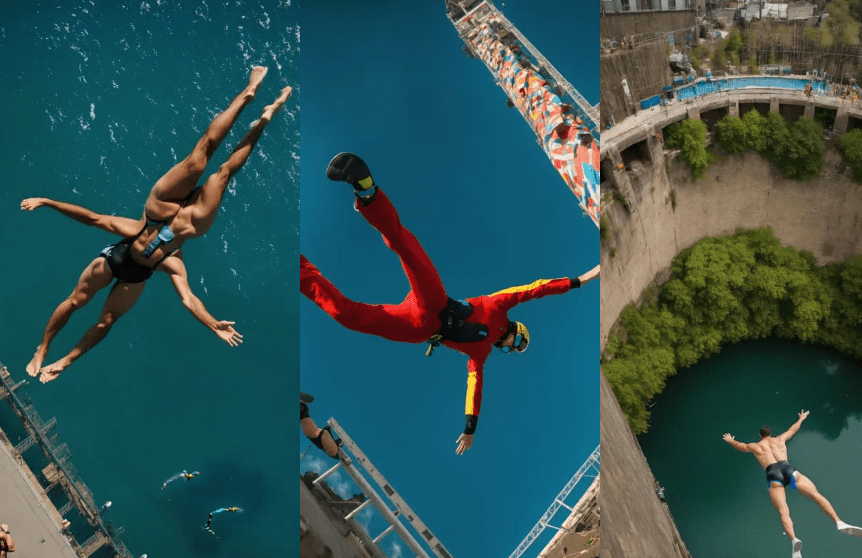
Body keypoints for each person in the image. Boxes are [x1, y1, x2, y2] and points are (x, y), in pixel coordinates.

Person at [301, 153, 600, 455]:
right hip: (434, 303)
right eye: (517, 343)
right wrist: (578, 281)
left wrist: (469, 428)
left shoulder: (480, 353)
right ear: (516, 329)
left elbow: (475, 388)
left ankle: (299, 270)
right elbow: (533, 290)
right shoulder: (498, 309)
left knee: (347, 316)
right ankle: (365, 189)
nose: (510, 347)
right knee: (401, 243)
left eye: (513, 350)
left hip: (417, 329)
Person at [21, 66, 292, 383]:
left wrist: (212, 323)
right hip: (143, 227)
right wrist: (48, 202)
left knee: (223, 173)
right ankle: (43, 348)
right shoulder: (133, 230)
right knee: (200, 154)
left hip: (144, 266)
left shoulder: (172, 263)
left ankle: (65, 361)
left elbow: (189, 300)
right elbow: (91, 217)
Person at [722, 411, 862, 558]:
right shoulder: (780, 440)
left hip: (773, 475)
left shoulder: (755, 446)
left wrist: (730, 440)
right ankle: (839, 522)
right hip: (789, 470)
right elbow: (793, 430)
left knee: (784, 511)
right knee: (817, 496)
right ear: (770, 434)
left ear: (760, 435)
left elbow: (740, 446)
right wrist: (801, 418)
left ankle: (794, 540)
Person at [301, 392, 341, 459]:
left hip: (315, 432)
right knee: (333, 452)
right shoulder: (333, 451)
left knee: (304, 416)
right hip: (315, 432)